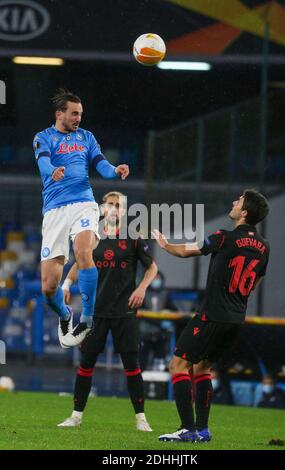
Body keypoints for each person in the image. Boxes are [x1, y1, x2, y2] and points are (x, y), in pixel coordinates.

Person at [152, 188, 270, 443]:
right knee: (204, 367)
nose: (233, 202)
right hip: (236, 318)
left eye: (238, 201)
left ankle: (186, 428)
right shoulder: (264, 246)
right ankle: (203, 430)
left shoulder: (223, 237)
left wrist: (165, 245)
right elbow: (256, 281)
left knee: (178, 365)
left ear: (244, 212)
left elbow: (186, 252)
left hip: (212, 315)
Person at [33, 89, 129, 347]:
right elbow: (43, 163)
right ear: (59, 114)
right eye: (74, 113)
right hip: (54, 210)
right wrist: (52, 170)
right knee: (48, 288)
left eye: (80, 114)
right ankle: (65, 316)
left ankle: (87, 318)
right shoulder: (44, 137)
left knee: (84, 251)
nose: (78, 118)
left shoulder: (86, 137)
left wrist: (114, 170)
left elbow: (101, 164)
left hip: (84, 203)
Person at [58, 191, 158, 431]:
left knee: (131, 366)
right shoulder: (91, 236)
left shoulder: (133, 237)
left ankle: (141, 419)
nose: (113, 209)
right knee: (86, 364)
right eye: (109, 205)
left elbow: (151, 267)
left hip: (125, 312)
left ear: (124, 211)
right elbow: (78, 262)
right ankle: (76, 416)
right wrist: (66, 283)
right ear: (103, 208)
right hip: (95, 312)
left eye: (118, 205)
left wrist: (142, 288)